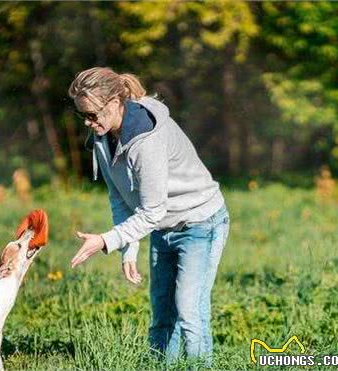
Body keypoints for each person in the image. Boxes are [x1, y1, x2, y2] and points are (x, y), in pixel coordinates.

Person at [68, 67, 230, 365]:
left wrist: (107, 241)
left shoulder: (146, 140)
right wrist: (128, 248)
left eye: (93, 114)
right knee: (162, 313)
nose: (89, 123)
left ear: (116, 102)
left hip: (199, 223)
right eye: (83, 117)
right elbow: (120, 197)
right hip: (161, 228)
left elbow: (153, 210)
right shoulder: (104, 139)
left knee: (189, 312)